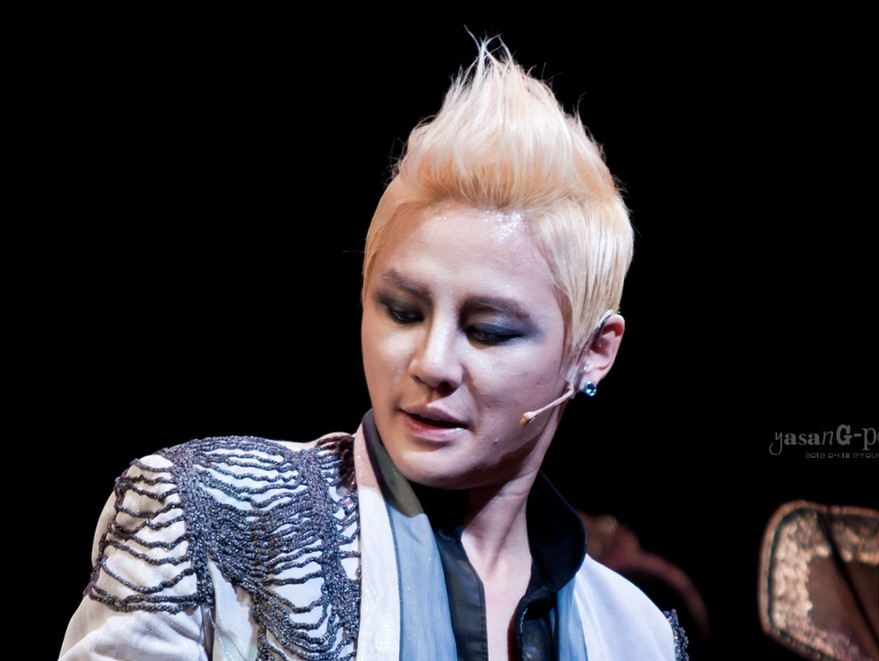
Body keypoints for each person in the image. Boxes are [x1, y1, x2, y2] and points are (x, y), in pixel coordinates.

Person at [60, 38, 689, 660]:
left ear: (594, 352)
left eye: (488, 330)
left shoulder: (638, 636)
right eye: (403, 312)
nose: (431, 363)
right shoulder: (208, 519)